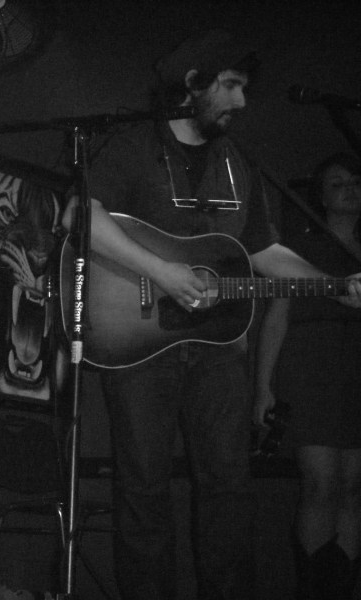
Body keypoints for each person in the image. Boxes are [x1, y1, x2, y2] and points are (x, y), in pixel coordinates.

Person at [75, 29, 361, 600]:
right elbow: (80, 216)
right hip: (138, 347)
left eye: (243, 88)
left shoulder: (237, 161)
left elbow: (263, 251)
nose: (241, 101)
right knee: (144, 489)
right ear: (193, 84)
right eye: (230, 86)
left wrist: (333, 286)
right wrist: (162, 272)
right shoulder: (133, 145)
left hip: (221, 350)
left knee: (229, 487)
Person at [253, 152, 361, 599]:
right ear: (320, 196)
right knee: (320, 482)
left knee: (354, 487)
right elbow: (277, 317)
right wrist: (263, 387)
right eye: (338, 183)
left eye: (355, 181)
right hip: (310, 364)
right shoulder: (298, 248)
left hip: (355, 366)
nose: (349, 189)